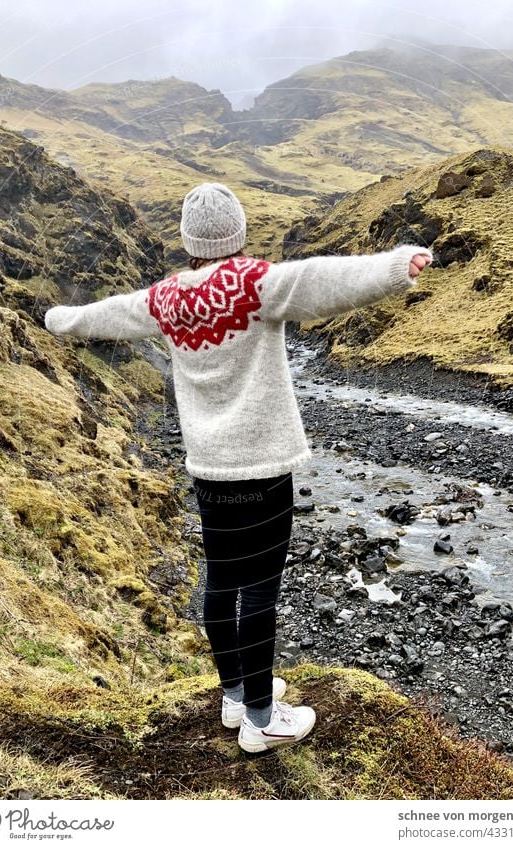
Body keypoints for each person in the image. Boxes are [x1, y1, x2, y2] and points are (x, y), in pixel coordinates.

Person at [44, 182, 433, 753]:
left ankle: (235, 697)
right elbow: (325, 282)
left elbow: (106, 315)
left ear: (188, 240)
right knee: (260, 591)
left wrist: (60, 319)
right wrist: (400, 265)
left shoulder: (167, 299)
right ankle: (262, 719)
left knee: (222, 581)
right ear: (238, 234)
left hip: (208, 468)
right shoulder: (256, 285)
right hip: (263, 466)